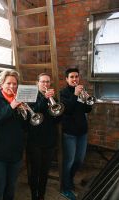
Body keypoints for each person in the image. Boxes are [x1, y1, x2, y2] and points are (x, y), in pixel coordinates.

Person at [0, 69, 27, 200]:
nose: (12, 86)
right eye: (8, 83)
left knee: (11, 188)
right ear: (1, 84)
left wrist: (25, 113)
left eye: (14, 84)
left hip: (15, 154)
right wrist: (11, 106)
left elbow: (24, 127)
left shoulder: (20, 102)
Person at [26, 73, 62, 200]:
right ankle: (33, 195)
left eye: (47, 82)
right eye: (43, 82)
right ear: (37, 83)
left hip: (49, 141)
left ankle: (41, 195)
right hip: (35, 141)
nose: (46, 84)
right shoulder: (31, 97)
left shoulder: (53, 99)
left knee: (45, 171)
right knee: (35, 170)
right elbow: (31, 114)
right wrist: (44, 99)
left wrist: (58, 113)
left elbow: (56, 121)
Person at [60, 68, 92, 200]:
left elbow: (88, 109)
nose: (75, 79)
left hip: (82, 133)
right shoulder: (63, 93)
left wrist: (85, 98)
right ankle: (65, 188)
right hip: (70, 134)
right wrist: (75, 95)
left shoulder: (81, 91)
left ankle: (69, 181)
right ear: (67, 79)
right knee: (69, 162)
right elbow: (67, 110)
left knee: (79, 161)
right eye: (72, 77)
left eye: (76, 77)